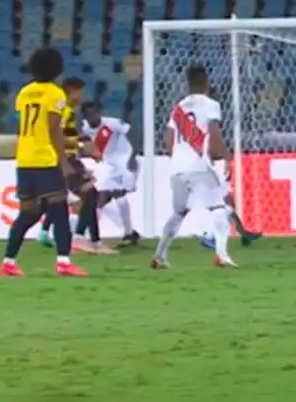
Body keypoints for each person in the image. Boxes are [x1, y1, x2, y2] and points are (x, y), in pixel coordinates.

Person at [0, 48, 87, 277]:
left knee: (28, 214)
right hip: (44, 159)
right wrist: (64, 163)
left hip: (25, 159)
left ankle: (8, 261)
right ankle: (64, 262)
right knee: (59, 211)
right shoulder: (55, 94)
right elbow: (53, 130)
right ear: (57, 69)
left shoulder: (24, 93)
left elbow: (25, 126)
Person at [153, 65, 236, 268]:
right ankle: (222, 255)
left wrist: (179, 160)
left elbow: (169, 139)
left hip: (177, 168)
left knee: (178, 213)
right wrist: (226, 156)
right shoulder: (211, 104)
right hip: (198, 165)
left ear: (188, 83)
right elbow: (214, 133)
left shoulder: (178, 108)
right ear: (206, 81)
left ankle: (160, 256)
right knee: (219, 207)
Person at [36, 77, 110, 254]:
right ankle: (79, 238)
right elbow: (57, 137)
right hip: (66, 159)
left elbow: (70, 135)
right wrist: (81, 147)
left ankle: (94, 241)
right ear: (71, 91)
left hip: (67, 158)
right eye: (80, 91)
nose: (82, 96)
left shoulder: (67, 111)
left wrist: (87, 147)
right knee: (89, 193)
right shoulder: (64, 111)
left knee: (83, 195)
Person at [82, 101, 141, 247]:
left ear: (100, 112)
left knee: (117, 193)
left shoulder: (112, 124)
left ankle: (127, 233)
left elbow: (134, 132)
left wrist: (134, 155)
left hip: (124, 162)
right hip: (105, 165)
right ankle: (127, 233)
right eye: (89, 114)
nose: (93, 117)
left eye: (95, 113)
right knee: (99, 199)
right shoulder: (83, 128)